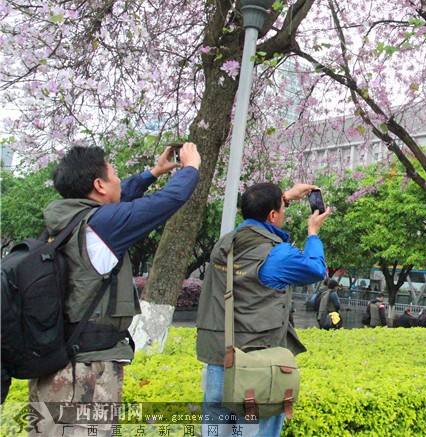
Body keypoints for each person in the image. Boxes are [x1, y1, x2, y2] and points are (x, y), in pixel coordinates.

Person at [29, 143, 200, 435]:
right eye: (114, 173)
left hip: (57, 365)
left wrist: (153, 172)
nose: (119, 179)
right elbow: (167, 201)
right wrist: (191, 168)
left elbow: (119, 201)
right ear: (98, 184)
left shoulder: (68, 221)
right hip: (83, 374)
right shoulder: (102, 226)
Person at [196, 182, 331, 437]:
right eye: (282, 208)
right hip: (255, 367)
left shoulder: (225, 245)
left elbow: (257, 223)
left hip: (218, 358)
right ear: (272, 215)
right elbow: (315, 268)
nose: (285, 212)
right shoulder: (275, 256)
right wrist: (313, 232)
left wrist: (284, 198)